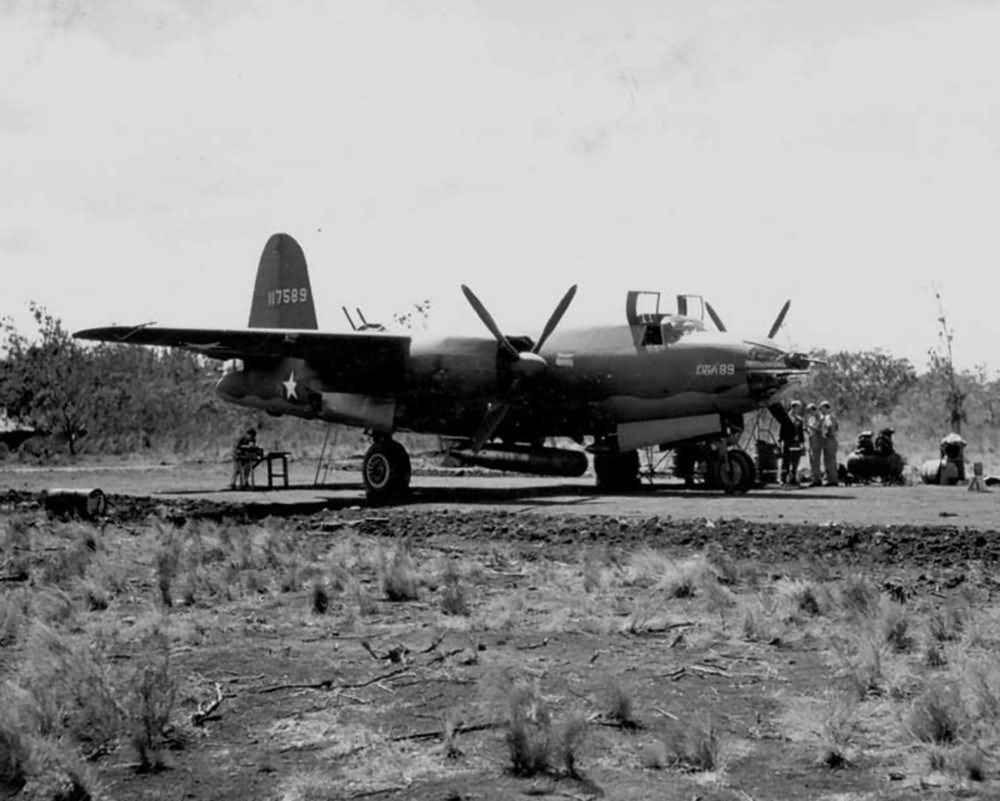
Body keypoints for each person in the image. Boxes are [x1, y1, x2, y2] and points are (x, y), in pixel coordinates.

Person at [780, 400, 805, 486]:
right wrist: (781, 440)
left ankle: (793, 478)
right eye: (797, 407)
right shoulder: (786, 418)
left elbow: (801, 432)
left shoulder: (799, 419)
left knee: (795, 461)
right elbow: (782, 431)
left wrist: (802, 442)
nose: (798, 409)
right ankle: (783, 479)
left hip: (797, 443)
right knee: (786, 461)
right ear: (793, 407)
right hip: (788, 442)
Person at [819, 400, 839, 486]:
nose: (821, 410)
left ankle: (833, 480)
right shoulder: (832, 417)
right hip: (831, 440)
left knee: (830, 461)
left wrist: (825, 433)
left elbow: (829, 428)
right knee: (829, 460)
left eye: (822, 408)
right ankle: (831, 479)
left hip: (829, 440)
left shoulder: (827, 417)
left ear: (826, 408)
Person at [804, 402, 823, 486]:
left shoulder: (820, 418)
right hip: (811, 440)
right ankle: (814, 479)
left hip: (817, 441)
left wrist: (809, 426)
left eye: (810, 411)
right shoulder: (812, 419)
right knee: (812, 461)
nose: (810, 414)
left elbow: (819, 430)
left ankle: (817, 480)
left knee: (816, 461)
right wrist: (807, 429)